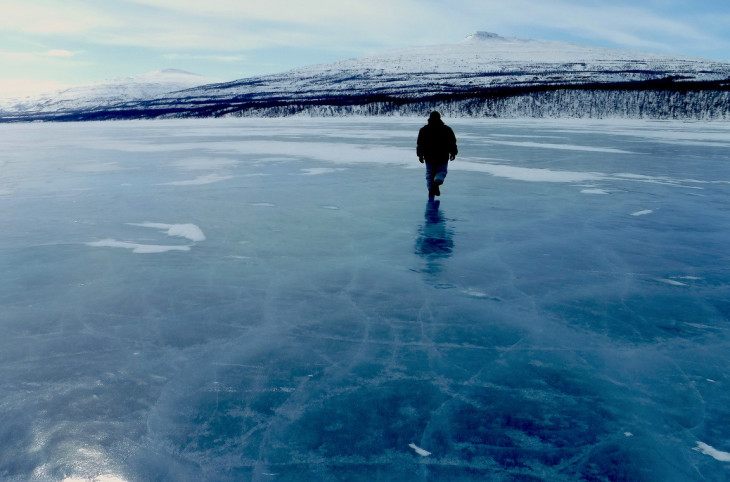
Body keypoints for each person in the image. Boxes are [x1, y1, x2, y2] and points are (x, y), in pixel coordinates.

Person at [417, 111, 458, 198]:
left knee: (429, 174)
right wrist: (453, 153)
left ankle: (431, 190)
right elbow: (452, 142)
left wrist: (420, 155)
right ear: (440, 118)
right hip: (442, 156)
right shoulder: (447, 129)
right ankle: (437, 183)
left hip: (429, 157)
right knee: (442, 171)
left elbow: (420, 144)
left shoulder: (424, 130)